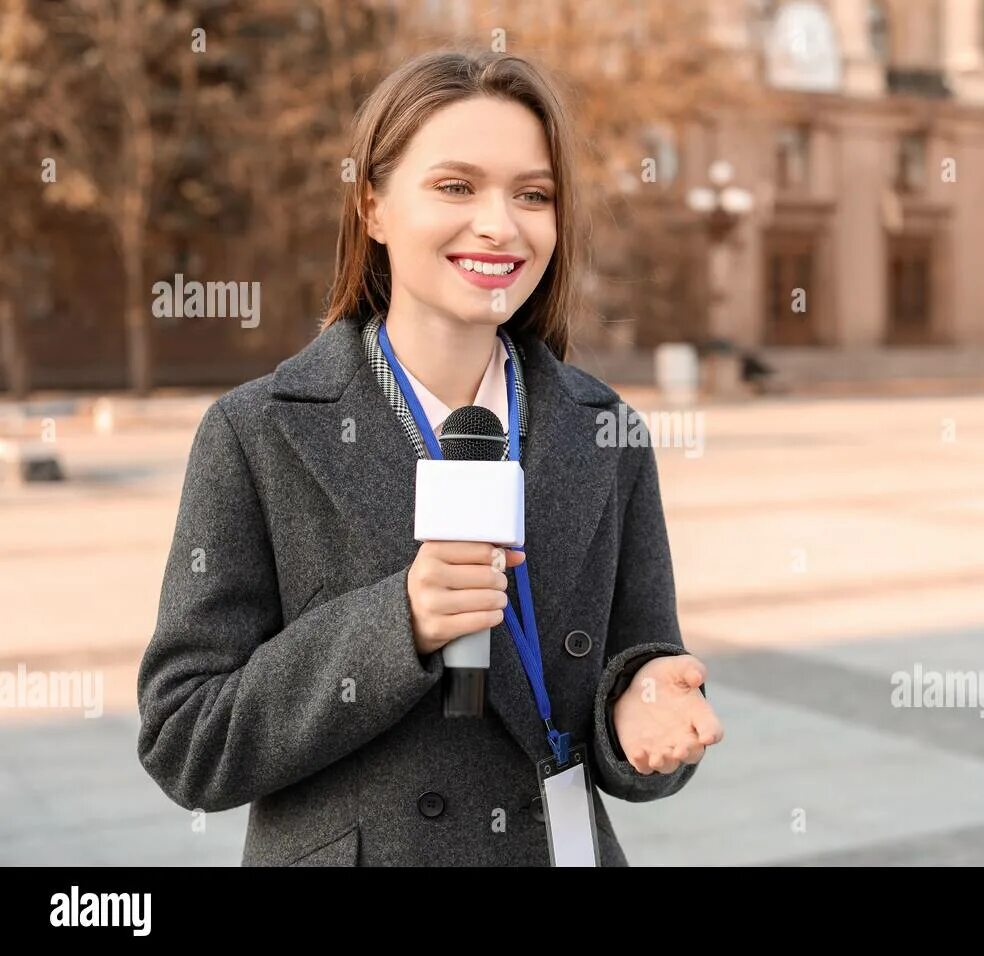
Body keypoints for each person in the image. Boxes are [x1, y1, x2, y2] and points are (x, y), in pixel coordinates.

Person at [136, 49, 723, 867]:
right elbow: (186, 742)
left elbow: (638, 671)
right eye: (456, 186)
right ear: (372, 205)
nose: (500, 224)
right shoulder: (255, 431)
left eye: (533, 195)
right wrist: (397, 624)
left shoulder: (605, 430)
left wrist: (647, 706)